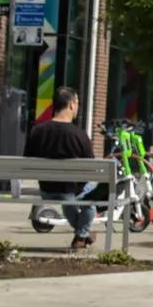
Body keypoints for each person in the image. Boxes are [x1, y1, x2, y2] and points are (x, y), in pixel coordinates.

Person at [26, 86, 97, 251]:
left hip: (46, 189)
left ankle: (82, 234)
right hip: (70, 191)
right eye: (77, 102)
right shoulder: (79, 135)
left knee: (69, 198)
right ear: (72, 105)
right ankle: (82, 234)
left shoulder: (37, 131)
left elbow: (27, 160)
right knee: (93, 196)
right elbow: (91, 168)